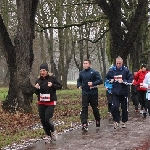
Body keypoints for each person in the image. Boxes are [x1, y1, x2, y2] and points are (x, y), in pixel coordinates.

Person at [34, 63, 62, 142]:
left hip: (50, 102)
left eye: (44, 70)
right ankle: (48, 135)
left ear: (47, 71)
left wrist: (52, 85)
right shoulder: (38, 80)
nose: (42, 72)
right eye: (41, 71)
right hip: (41, 102)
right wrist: (36, 88)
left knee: (47, 119)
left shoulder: (52, 78)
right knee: (43, 120)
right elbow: (36, 93)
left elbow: (60, 86)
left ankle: (53, 132)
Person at [106, 56, 133, 129]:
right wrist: (110, 81)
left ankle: (124, 122)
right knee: (114, 107)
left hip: (124, 93)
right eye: (117, 63)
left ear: (122, 63)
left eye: (119, 63)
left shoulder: (126, 70)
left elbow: (131, 81)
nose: (118, 65)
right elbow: (107, 78)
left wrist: (123, 81)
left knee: (124, 108)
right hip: (115, 92)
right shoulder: (112, 70)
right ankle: (116, 121)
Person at [77, 59, 103, 132]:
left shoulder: (94, 72)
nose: (85, 65)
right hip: (85, 93)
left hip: (93, 93)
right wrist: (79, 85)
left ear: (89, 64)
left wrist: (93, 83)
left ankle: (97, 119)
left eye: (86, 63)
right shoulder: (81, 73)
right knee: (84, 108)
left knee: (95, 108)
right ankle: (84, 124)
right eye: (84, 63)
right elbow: (79, 80)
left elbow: (100, 80)